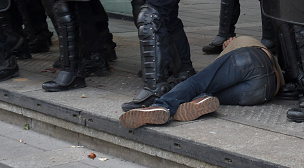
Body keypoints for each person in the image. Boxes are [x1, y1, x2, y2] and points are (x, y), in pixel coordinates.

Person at [118, 35, 283, 129]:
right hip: (264, 91)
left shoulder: (241, 41)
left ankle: (162, 106)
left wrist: (230, 43)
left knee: (196, 83)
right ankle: (202, 101)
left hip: (250, 60)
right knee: (210, 93)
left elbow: (205, 78)